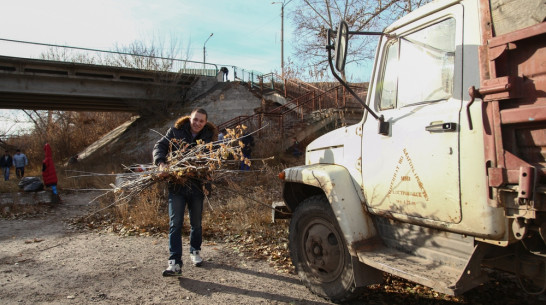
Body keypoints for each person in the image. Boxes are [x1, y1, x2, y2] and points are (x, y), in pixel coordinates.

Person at [153, 108, 218, 277]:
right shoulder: (175, 131)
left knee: (196, 222)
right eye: (195, 119)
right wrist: (161, 163)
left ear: (205, 123)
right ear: (190, 118)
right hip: (177, 185)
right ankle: (174, 263)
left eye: (201, 121)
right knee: (175, 223)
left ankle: (195, 251)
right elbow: (160, 146)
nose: (197, 123)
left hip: (197, 186)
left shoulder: (209, 137)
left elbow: (214, 158)